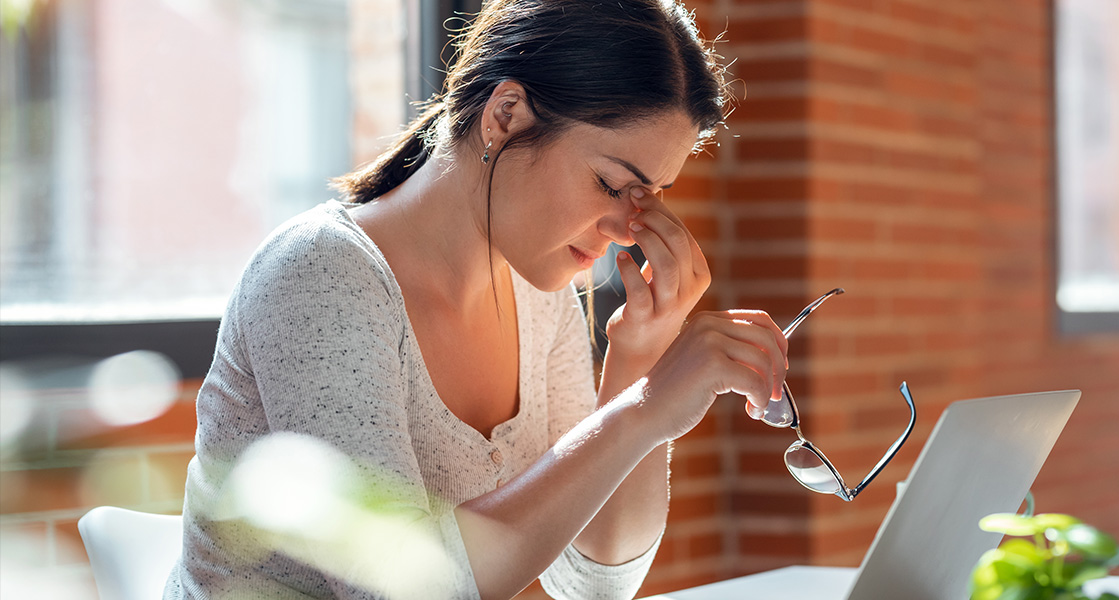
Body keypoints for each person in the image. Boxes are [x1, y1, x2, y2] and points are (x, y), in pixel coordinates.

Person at [164, 0, 788, 597]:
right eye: (611, 184)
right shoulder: (320, 275)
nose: (630, 230)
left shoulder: (538, 295)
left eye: (649, 197)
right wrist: (644, 411)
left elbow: (593, 583)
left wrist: (637, 362)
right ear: (507, 114)